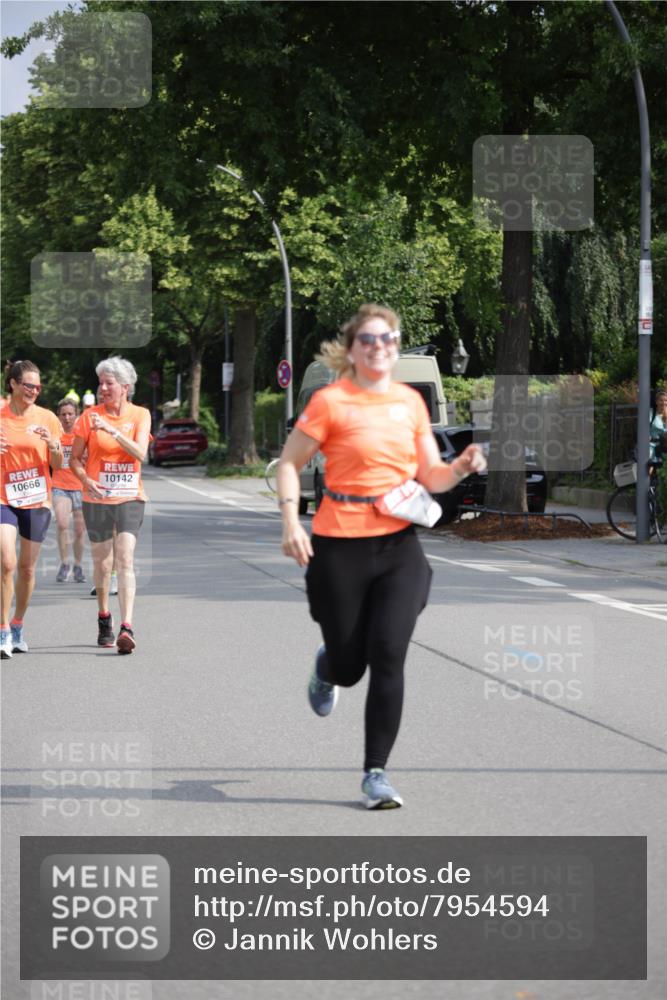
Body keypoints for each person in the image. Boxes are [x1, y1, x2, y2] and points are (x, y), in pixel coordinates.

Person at [277, 304, 486, 809]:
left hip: (398, 547)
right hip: (338, 544)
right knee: (351, 667)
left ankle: (376, 774)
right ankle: (327, 667)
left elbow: (430, 477)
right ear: (352, 349)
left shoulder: (410, 404)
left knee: (389, 654)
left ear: (396, 346)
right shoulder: (330, 402)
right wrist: (289, 523)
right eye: (369, 339)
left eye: (388, 338)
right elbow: (288, 463)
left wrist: (458, 467)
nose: (379, 346)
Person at [70, 358, 150, 655]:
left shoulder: (140, 415)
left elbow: (141, 453)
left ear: (125, 387)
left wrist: (114, 431)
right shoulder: (88, 417)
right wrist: (84, 479)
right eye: (100, 383)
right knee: (103, 564)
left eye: (109, 383)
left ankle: (127, 626)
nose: (102, 388)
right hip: (97, 498)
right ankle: (104, 616)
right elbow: (74, 459)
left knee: (125, 559)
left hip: (130, 496)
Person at [0, 360, 63, 659]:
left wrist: (54, 447)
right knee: (7, 562)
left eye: (38, 387)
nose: (34, 391)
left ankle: (17, 625)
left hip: (37, 499)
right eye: (28, 385)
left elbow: (59, 466)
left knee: (26, 568)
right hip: (4, 497)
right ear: (12, 383)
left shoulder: (48, 418)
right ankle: (1, 631)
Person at [52, 398, 87, 583]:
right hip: (60, 486)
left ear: (76, 415)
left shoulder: (82, 435)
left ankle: (78, 565)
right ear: (59, 416)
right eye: (63, 414)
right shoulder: (54, 434)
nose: (67, 418)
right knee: (62, 524)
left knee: (80, 530)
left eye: (70, 414)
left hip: (80, 487)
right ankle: (65, 563)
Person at [650, 389, 667, 462]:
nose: (664, 403)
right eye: (661, 400)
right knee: (649, 464)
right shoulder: (651, 413)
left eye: (666, 400)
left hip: (665, 445)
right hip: (652, 444)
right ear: (656, 401)